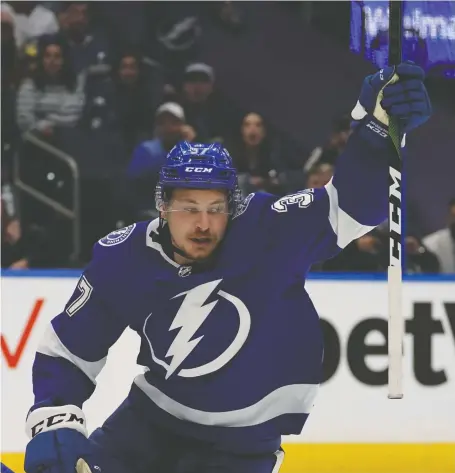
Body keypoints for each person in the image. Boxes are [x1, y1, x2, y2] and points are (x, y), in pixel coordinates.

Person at [24, 62, 431, 473]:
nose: (203, 224)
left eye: (215, 209)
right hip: (146, 427)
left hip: (242, 449)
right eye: (188, 208)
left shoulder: (268, 230)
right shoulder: (124, 257)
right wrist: (54, 417)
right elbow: (69, 350)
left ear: (231, 208)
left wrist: (376, 134)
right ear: (162, 207)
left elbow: (354, 207)